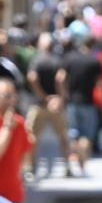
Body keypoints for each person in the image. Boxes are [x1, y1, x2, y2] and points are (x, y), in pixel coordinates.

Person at [27, 33, 70, 177]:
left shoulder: (36, 60)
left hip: (40, 104)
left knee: (32, 137)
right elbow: (61, 79)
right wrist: (60, 98)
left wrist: (43, 97)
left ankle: (32, 168)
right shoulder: (57, 61)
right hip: (56, 105)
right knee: (63, 136)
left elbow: (32, 78)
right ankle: (68, 166)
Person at [61, 37, 102, 176]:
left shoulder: (69, 59)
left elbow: (60, 78)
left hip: (72, 102)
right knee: (86, 136)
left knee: (73, 134)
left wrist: (64, 95)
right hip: (88, 103)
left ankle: (74, 160)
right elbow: (101, 85)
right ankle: (82, 164)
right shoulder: (95, 62)